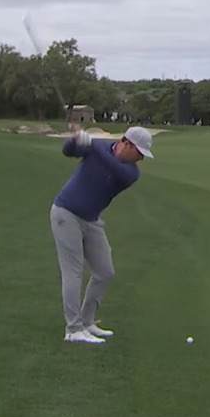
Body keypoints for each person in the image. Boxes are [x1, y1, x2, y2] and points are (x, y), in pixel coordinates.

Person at [49, 124, 155, 344]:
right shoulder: (97, 146)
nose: (141, 159)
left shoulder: (131, 172)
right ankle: (73, 329)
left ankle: (87, 322)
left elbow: (112, 166)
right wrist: (76, 140)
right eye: (140, 152)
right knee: (73, 272)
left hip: (91, 220)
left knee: (105, 272)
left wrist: (92, 144)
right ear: (126, 143)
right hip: (65, 213)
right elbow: (68, 151)